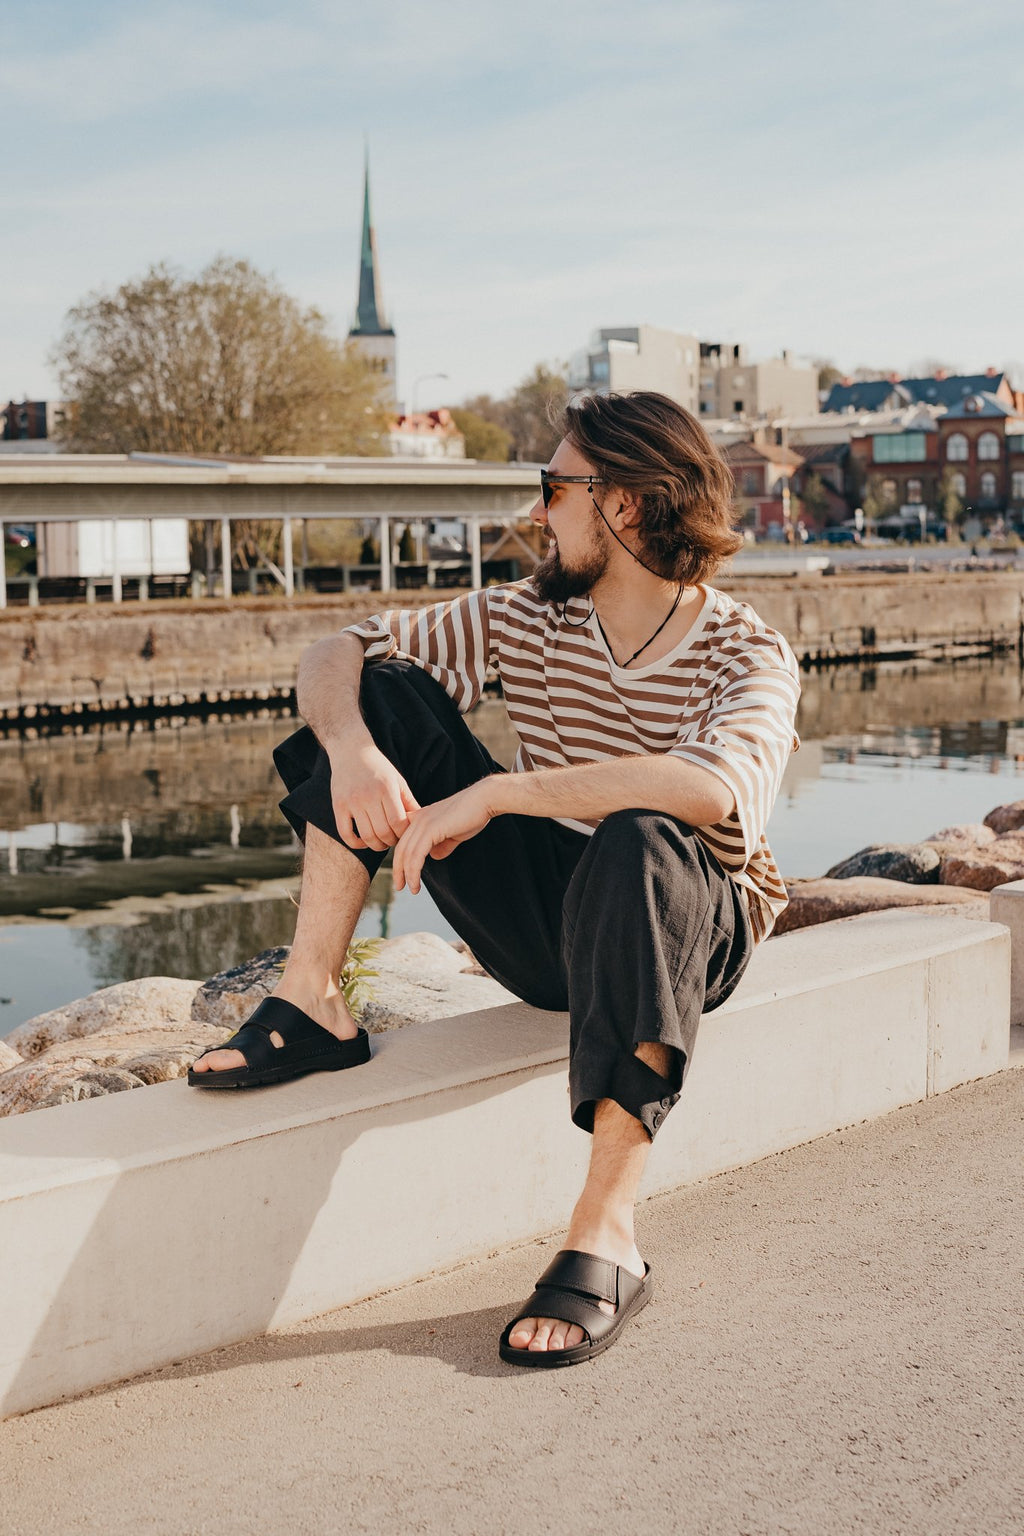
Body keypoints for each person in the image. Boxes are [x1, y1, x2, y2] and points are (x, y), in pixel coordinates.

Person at [189, 391, 801, 1368]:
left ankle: (605, 1233)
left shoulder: (744, 651)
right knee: (382, 694)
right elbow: (336, 651)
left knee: (638, 835)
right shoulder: (526, 616)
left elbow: (709, 791)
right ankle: (312, 1004)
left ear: (627, 505)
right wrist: (351, 751)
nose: (534, 511)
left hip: (686, 921)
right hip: (551, 923)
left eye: (553, 487)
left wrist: (502, 793)